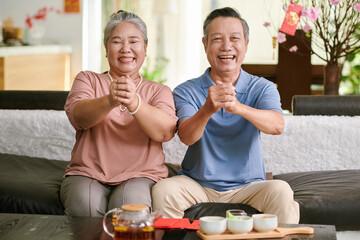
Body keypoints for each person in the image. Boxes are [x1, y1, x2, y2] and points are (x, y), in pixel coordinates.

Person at [152, 7, 299, 224]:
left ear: (246, 45)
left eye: (234, 38)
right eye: (217, 39)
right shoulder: (186, 91)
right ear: (205, 45)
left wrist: (238, 107)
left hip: (250, 186)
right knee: (164, 190)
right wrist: (207, 109)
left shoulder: (263, 88)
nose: (226, 46)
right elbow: (186, 137)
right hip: (197, 184)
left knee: (281, 191)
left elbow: (277, 125)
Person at [60, 10, 177, 217]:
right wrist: (110, 100)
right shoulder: (88, 80)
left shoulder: (159, 91)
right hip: (87, 174)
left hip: (140, 175)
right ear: (106, 49)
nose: (126, 49)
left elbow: (165, 132)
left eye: (133, 41)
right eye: (116, 42)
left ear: (145, 48)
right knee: (85, 205)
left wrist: (135, 103)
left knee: (129, 208)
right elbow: (77, 118)